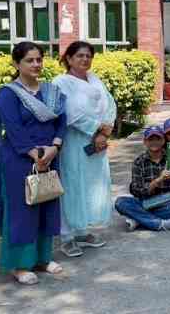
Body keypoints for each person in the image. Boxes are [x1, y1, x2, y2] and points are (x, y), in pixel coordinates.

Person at [0, 42, 66, 285]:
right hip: (20, 159)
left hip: (50, 155)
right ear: (16, 64)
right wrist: (36, 155)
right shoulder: (8, 94)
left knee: (46, 205)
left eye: (39, 59)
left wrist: (54, 147)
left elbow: (62, 121)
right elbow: (13, 128)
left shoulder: (52, 92)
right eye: (29, 60)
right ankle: (18, 264)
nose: (36, 65)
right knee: (22, 211)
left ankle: (41, 259)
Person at [52, 41, 117, 258]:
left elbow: (110, 104)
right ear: (68, 59)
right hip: (74, 142)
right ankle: (67, 236)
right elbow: (69, 112)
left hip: (97, 143)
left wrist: (104, 133)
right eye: (79, 55)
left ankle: (82, 231)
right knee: (72, 185)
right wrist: (96, 128)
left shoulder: (95, 79)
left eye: (88, 55)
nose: (85, 59)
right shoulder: (61, 82)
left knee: (91, 185)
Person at [115, 126, 170, 232]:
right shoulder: (139, 162)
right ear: (145, 142)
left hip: (167, 202)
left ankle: (138, 219)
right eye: (151, 139)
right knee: (120, 202)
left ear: (163, 140)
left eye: (158, 139)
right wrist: (158, 180)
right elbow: (137, 191)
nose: (154, 142)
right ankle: (161, 223)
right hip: (145, 203)